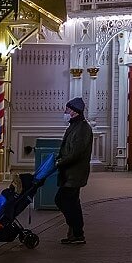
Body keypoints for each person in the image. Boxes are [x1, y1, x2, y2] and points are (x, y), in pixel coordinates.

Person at [55, 97, 94, 245]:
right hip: (69, 172)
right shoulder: (75, 126)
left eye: (67, 109)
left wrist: (60, 162)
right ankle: (75, 233)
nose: (65, 112)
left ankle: (77, 231)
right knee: (71, 201)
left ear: (74, 111)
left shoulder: (83, 128)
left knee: (62, 200)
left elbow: (76, 152)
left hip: (75, 172)